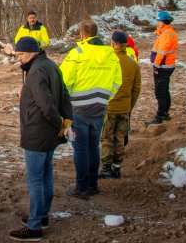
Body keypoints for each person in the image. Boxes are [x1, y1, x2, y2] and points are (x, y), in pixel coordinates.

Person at [7, 37, 72, 242]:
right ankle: (42, 216)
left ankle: (34, 228)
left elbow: (45, 105)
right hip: (49, 133)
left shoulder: (36, 71)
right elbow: (64, 94)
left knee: (35, 180)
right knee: (45, 175)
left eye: (21, 54)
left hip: (38, 132)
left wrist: (60, 122)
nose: (19, 58)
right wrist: (66, 119)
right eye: (17, 55)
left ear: (32, 52)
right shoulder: (51, 65)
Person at [59, 19, 121, 200]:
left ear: (82, 35)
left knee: (80, 148)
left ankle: (82, 186)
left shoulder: (77, 54)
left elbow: (63, 81)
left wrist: (66, 103)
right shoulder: (111, 54)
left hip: (78, 109)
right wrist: (105, 98)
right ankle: (93, 184)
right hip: (100, 108)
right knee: (94, 146)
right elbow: (117, 81)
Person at [99, 31, 141, 180]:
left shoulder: (107, 61)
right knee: (120, 137)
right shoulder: (133, 63)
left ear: (113, 43)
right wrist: (129, 106)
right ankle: (117, 167)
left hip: (109, 107)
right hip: (124, 107)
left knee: (107, 137)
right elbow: (136, 88)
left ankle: (106, 168)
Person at [145, 11, 178, 125]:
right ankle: (164, 113)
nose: (158, 23)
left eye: (159, 21)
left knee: (160, 92)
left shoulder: (166, 34)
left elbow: (162, 52)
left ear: (164, 22)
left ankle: (160, 116)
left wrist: (156, 65)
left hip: (163, 66)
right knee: (164, 90)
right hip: (167, 65)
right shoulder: (168, 32)